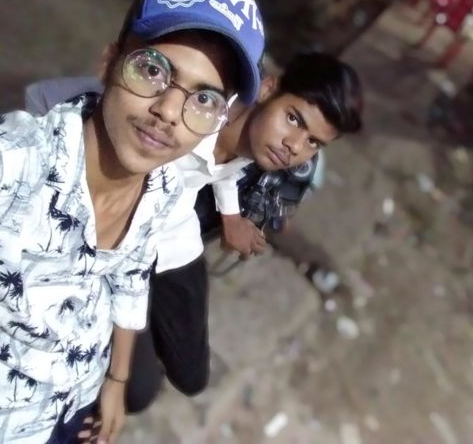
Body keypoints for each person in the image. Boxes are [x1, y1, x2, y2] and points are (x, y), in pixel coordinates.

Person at [0, 0, 264, 444]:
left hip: (77, 399)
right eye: (152, 70)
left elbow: (130, 275)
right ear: (110, 62)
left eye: (203, 99)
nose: (168, 113)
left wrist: (115, 381)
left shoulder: (162, 188)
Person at [25, 51, 364, 424]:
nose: (295, 146)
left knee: (191, 375)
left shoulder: (256, 145)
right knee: (136, 389)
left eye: (314, 142)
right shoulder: (190, 115)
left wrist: (231, 217)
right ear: (268, 89)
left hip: (176, 234)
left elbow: (224, 167)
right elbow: (50, 99)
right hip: (128, 237)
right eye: (293, 119)